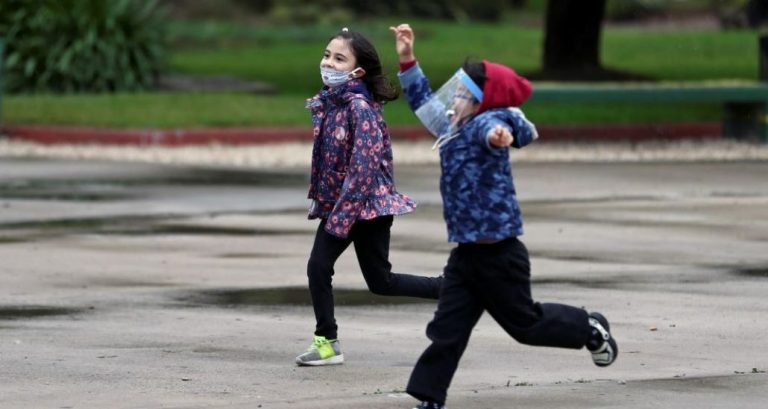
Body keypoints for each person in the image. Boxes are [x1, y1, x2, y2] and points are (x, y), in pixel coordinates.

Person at [389, 23, 619, 409]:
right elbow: (422, 101)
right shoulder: (451, 126)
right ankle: (429, 398)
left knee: (525, 326)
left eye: (465, 94)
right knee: (448, 328)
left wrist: (500, 134)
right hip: (466, 256)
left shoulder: (484, 124)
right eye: (457, 92)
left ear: (484, 101)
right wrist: (407, 58)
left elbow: (501, 126)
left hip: (501, 256)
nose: (456, 99)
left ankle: (588, 328)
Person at [296, 28, 443, 366]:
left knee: (375, 280)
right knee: (330, 270)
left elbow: (361, 175)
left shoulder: (359, 108)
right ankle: (327, 342)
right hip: (342, 209)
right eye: (327, 54)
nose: (328, 62)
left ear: (357, 71)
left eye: (339, 58)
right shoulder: (332, 102)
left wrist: (337, 222)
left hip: (368, 210)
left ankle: (450, 289)